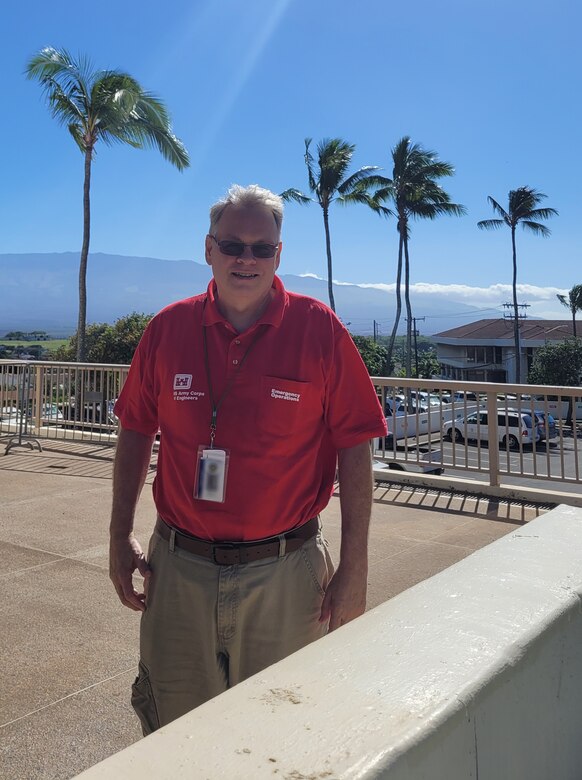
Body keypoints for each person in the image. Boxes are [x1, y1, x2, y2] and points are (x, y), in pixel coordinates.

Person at [109, 184, 387, 734]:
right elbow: (136, 427)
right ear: (208, 249)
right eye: (233, 244)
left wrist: (355, 569)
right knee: (177, 736)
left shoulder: (320, 330)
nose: (246, 258)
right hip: (180, 569)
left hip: (285, 572)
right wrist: (119, 533)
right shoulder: (167, 329)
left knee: (281, 735)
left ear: (279, 255)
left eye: (262, 248)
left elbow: (357, 446)